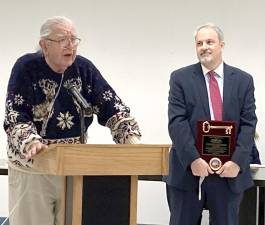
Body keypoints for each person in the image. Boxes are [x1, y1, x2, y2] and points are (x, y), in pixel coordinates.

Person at [4, 16, 141, 225]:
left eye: (74, 39)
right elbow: (15, 114)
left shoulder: (83, 68)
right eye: (62, 40)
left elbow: (111, 105)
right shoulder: (26, 67)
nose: (71, 46)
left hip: (73, 166)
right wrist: (30, 141)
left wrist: (130, 137)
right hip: (34, 166)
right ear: (44, 45)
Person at [164, 23, 257, 225]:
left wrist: (237, 162)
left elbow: (249, 124)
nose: (204, 47)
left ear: (221, 45)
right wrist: (193, 160)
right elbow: (176, 122)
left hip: (229, 174)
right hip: (188, 172)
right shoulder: (180, 78)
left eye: (210, 42)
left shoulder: (244, 81)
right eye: (199, 43)